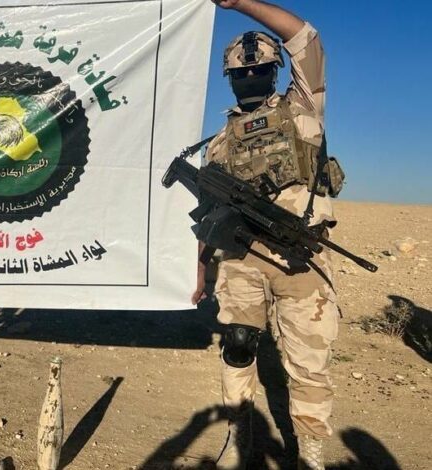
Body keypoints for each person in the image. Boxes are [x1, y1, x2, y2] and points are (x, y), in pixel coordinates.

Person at [192, 1, 338, 469]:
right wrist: (200, 268)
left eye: (259, 70)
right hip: (242, 258)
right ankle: (239, 440)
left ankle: (310, 453)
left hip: (303, 256)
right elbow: (209, 212)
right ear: (230, 79)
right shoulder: (220, 142)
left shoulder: (303, 107)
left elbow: (305, 38)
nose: (250, 77)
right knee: (237, 346)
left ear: (276, 72)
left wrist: (239, 4)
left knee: (308, 361)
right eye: (242, 72)